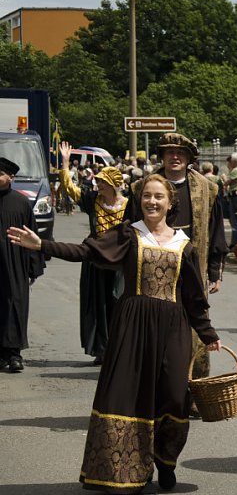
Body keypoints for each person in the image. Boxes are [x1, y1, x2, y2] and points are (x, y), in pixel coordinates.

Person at [8, 174, 222, 492]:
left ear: (170, 202)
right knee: (126, 395)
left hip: (173, 328)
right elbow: (86, 252)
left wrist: (207, 334)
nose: (152, 201)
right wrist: (42, 245)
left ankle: (165, 461)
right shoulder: (128, 234)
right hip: (133, 325)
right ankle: (124, 469)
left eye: (158, 197)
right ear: (139, 201)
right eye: (147, 196)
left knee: (175, 397)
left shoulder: (183, 244)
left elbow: (192, 296)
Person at [125, 133, 227, 384]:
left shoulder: (208, 188)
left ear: (189, 158)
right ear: (162, 157)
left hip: (190, 270)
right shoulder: (142, 188)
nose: (174, 157)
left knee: (194, 331)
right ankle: (153, 391)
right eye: (169, 152)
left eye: (180, 153)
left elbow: (216, 233)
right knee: (154, 334)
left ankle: (193, 391)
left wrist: (215, 271)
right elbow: (129, 230)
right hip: (152, 272)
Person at [58, 141, 128, 365]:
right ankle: (101, 349)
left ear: (114, 185)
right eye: (98, 182)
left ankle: (120, 349)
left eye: (103, 183)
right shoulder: (92, 200)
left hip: (120, 262)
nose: (98, 185)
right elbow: (69, 188)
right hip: (96, 261)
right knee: (98, 304)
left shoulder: (129, 205)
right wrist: (65, 163)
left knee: (119, 303)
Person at [0, 157, 45, 373]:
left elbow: (32, 235)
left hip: (15, 263)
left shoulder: (21, 203)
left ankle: (14, 354)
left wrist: (33, 266)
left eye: (0, 174)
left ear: (11, 177)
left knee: (15, 306)